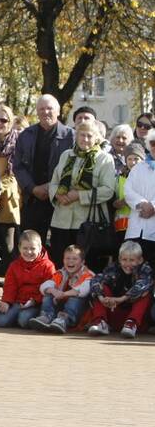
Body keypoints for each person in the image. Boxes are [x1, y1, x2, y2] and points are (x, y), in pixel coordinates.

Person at [46, 120, 115, 266]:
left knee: (86, 266)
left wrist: (79, 195)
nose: (85, 139)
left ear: (97, 138)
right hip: (61, 220)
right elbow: (54, 182)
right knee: (60, 264)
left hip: (87, 223)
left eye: (89, 136)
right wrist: (58, 195)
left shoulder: (104, 159)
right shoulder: (66, 155)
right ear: (76, 136)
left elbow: (108, 190)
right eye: (82, 135)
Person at [13, 95, 75, 245]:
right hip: (33, 200)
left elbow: (74, 166)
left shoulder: (70, 136)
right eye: (41, 109)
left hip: (61, 200)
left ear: (58, 111)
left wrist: (51, 187)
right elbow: (18, 166)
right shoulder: (26, 136)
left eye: (49, 108)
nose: (45, 112)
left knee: (59, 245)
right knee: (31, 245)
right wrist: (33, 188)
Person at [0, 103, 21, 286]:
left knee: (9, 250)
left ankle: (11, 291)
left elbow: (18, 173)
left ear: (11, 121)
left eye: (4, 119)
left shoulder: (19, 143)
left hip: (9, 202)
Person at [86, 240, 152, 338]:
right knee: (100, 286)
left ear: (140, 260)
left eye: (132, 260)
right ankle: (100, 321)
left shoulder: (145, 269)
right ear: (119, 259)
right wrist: (101, 298)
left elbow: (142, 284)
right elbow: (96, 279)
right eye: (124, 260)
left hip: (136, 318)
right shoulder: (114, 267)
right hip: (113, 311)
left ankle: (131, 323)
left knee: (146, 292)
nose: (127, 264)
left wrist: (120, 299)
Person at [0, 229, 55, 329]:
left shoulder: (48, 266)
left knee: (23, 320)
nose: (29, 252)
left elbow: (49, 289)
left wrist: (35, 301)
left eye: (33, 248)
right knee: (1, 322)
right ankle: (15, 317)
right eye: (25, 248)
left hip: (36, 303)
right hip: (18, 301)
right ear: (19, 248)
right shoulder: (14, 265)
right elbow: (10, 286)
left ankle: (37, 318)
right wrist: (6, 302)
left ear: (40, 248)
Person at [29, 244, 94, 333]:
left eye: (74, 259)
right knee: (48, 293)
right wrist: (53, 291)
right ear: (63, 260)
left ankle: (64, 320)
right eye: (67, 258)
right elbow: (44, 286)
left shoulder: (87, 274)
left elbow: (83, 290)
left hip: (79, 312)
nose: (70, 261)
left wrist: (63, 294)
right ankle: (47, 316)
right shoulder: (61, 273)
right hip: (60, 306)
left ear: (82, 262)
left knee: (75, 298)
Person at [123, 133, 155, 262]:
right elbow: (128, 190)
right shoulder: (138, 168)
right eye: (152, 144)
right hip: (136, 230)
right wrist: (141, 203)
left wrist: (153, 206)